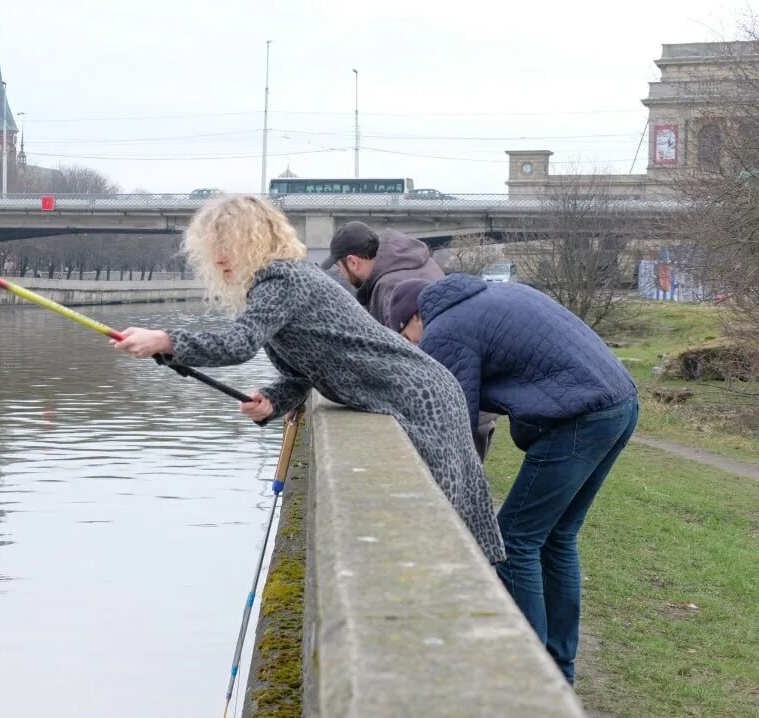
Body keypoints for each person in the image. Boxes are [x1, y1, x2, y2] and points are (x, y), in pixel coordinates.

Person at [110, 195, 505, 564]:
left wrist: (165, 339)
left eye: (226, 244)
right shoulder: (274, 289)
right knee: (452, 519)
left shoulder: (282, 280)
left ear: (254, 241)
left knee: (452, 523)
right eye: (212, 249)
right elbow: (300, 378)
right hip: (412, 393)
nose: (218, 258)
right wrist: (271, 400)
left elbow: (238, 342)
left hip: (419, 396)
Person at [387, 275, 639, 684]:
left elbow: (452, 424)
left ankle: (531, 677)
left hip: (581, 417)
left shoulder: (445, 329)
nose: (413, 349)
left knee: (515, 539)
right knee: (557, 536)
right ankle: (559, 672)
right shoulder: (488, 293)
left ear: (414, 317)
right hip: (620, 404)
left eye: (406, 338)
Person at [319, 222, 500, 459]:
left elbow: (396, 365)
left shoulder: (390, 286)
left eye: (340, 267)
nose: (341, 274)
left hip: (454, 408)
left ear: (353, 261)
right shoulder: (416, 263)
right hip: (472, 400)